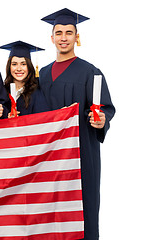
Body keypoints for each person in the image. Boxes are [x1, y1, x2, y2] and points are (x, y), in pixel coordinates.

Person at [39, 8, 115, 240]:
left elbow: (104, 109)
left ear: (76, 37)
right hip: (48, 155)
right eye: (59, 32)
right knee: (48, 209)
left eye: (69, 33)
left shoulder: (90, 72)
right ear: (52, 38)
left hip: (81, 152)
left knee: (83, 206)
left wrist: (101, 120)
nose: (63, 37)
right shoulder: (42, 74)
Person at [0, 41, 50, 116]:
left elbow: (43, 120)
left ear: (29, 66)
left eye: (23, 64)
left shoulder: (36, 93)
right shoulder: (2, 92)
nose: (19, 69)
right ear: (9, 67)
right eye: (14, 64)